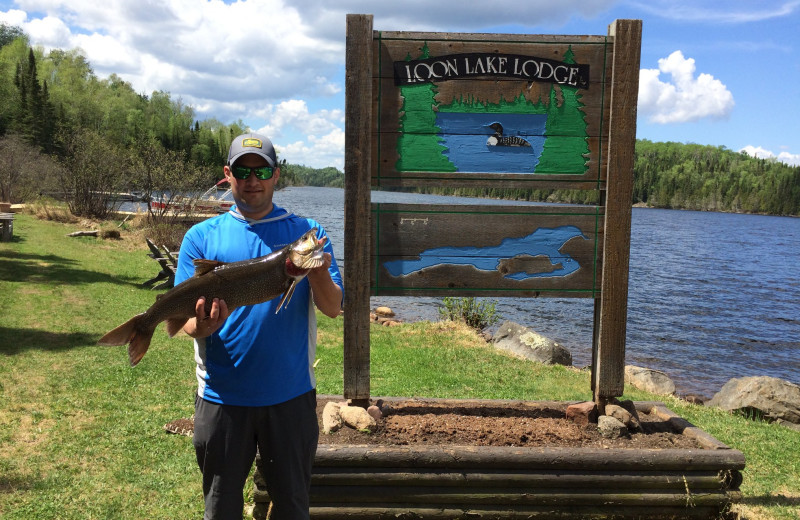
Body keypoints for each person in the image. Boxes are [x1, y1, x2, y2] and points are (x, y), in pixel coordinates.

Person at [173, 133, 344, 520]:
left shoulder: (307, 231)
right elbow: (186, 324)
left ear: (276, 175)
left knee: (292, 507)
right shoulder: (201, 237)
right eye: (242, 170)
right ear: (227, 175)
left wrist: (313, 270)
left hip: (290, 395)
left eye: (262, 170)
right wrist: (202, 326)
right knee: (220, 508)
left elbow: (333, 308)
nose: (253, 179)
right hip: (222, 396)